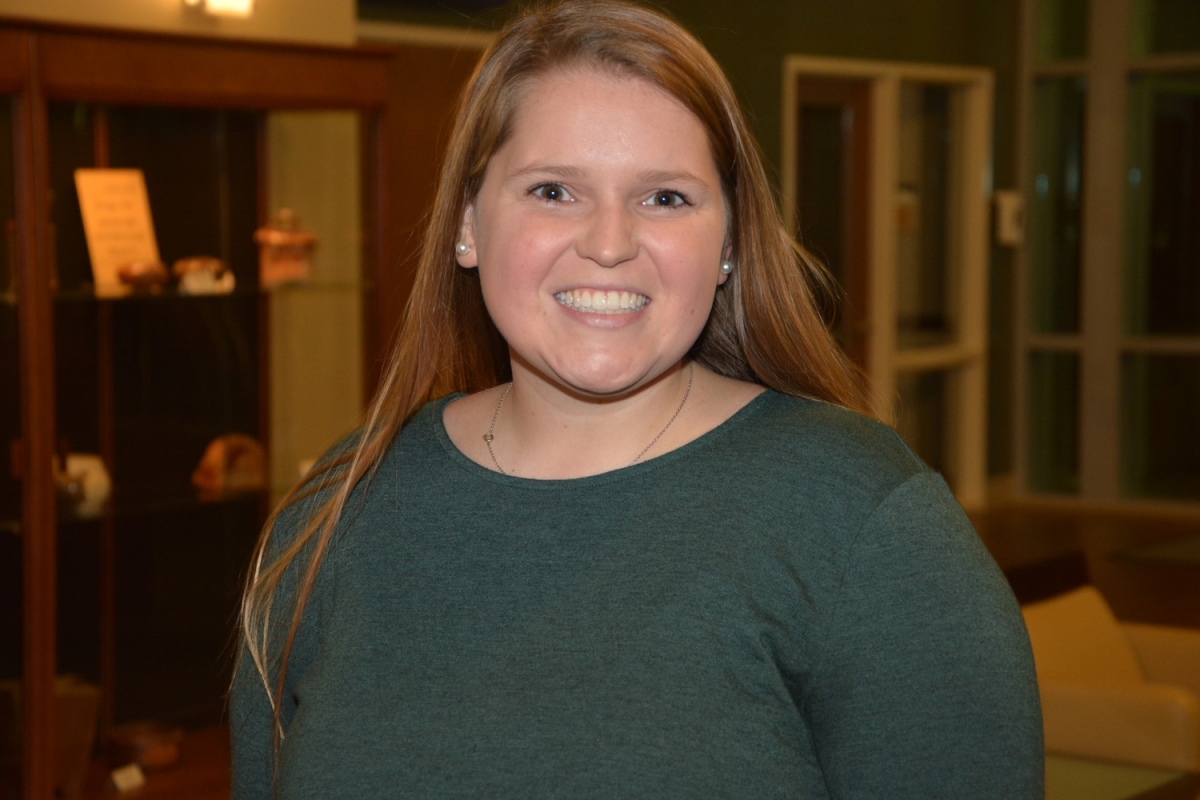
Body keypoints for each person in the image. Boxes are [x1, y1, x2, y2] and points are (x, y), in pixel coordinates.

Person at [230, 1, 1043, 797]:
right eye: (553, 191)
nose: (610, 243)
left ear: (728, 243)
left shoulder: (866, 525)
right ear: (467, 224)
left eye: (665, 198)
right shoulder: (333, 517)